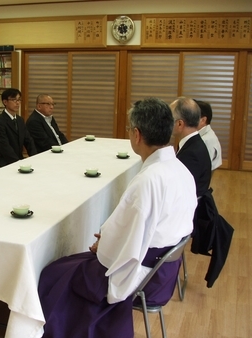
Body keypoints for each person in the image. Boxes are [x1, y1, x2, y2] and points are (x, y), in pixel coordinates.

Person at [38, 98, 197, 338]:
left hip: (143, 273)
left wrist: (104, 244)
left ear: (136, 134)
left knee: (53, 273)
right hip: (164, 270)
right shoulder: (181, 170)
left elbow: (122, 252)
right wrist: (111, 238)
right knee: (68, 265)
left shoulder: (149, 180)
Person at [170, 97, 212, 197]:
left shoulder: (192, 154)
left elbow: (179, 190)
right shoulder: (193, 142)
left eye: (171, 119)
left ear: (180, 124)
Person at [0, 88, 37, 167]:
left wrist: (35, 157)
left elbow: (28, 140)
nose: (17, 103)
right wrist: (18, 163)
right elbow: (5, 147)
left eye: (19, 100)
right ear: (5, 102)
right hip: (5, 162)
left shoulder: (20, 120)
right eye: (14, 100)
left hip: (19, 160)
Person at [194, 99, 222, 170]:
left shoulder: (206, 141)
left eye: (192, 115)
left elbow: (200, 170)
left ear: (203, 120)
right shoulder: (202, 135)